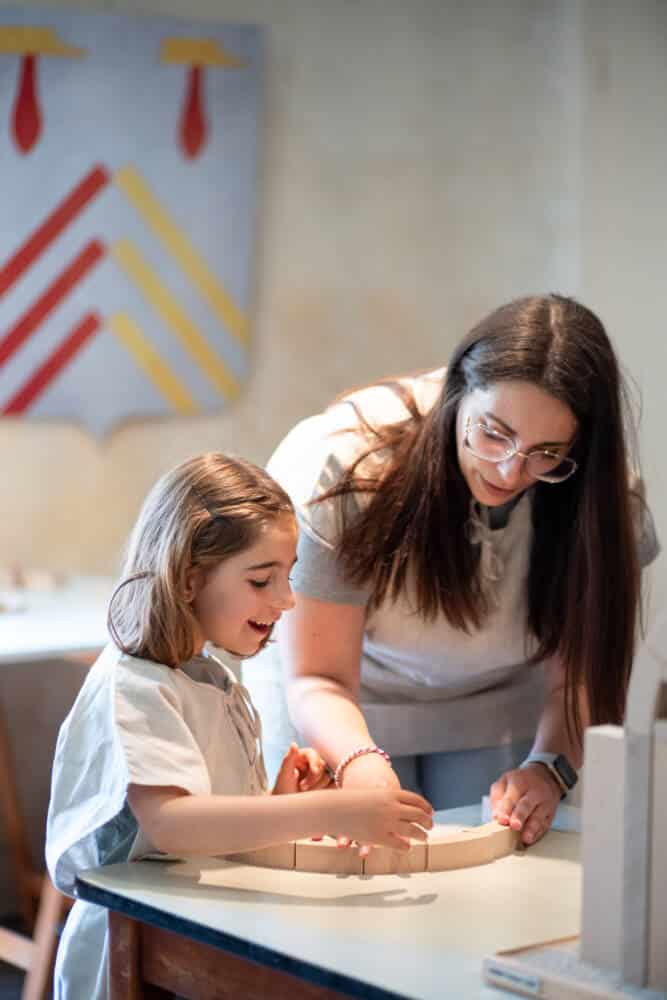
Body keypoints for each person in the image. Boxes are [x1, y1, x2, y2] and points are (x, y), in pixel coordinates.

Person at [245, 294, 660, 851]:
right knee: (341, 878)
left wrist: (547, 767)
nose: (512, 470)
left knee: (497, 863)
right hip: (340, 695)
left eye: (546, 453)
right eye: (493, 434)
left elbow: (584, 676)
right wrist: (362, 764)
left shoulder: (602, 496)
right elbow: (318, 678)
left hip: (497, 694)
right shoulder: (347, 470)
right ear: (457, 396)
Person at [46, 453, 433, 1000]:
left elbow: (208, 821)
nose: (286, 600)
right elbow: (171, 824)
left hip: (194, 935)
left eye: (288, 576)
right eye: (261, 580)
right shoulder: (134, 683)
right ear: (187, 580)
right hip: (135, 951)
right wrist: (332, 809)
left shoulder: (212, 673)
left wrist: (277, 799)